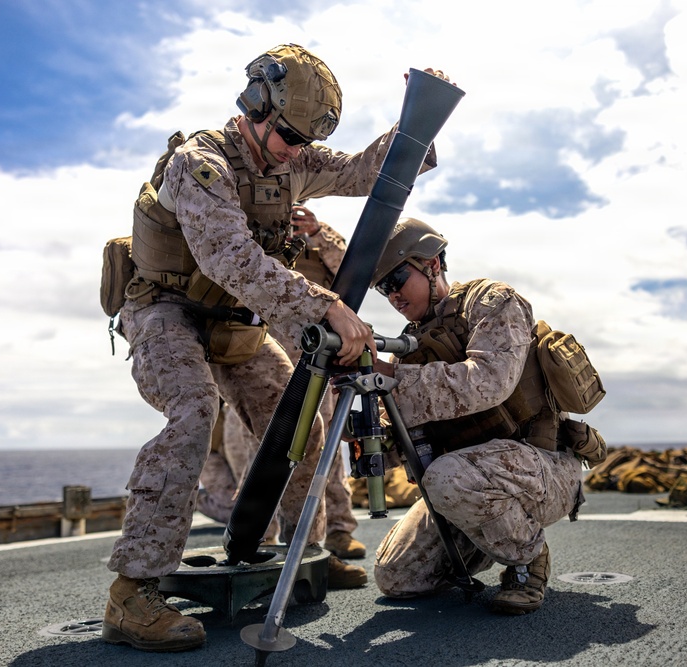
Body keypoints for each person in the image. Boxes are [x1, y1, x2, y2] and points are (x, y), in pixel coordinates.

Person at [103, 44, 442, 652]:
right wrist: (326, 303)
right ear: (254, 104)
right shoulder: (199, 163)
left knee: (299, 425)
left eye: (304, 139)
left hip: (235, 322)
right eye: (287, 134)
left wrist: (417, 122)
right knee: (191, 413)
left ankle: (301, 553)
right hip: (166, 310)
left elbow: (367, 170)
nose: (295, 149)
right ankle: (132, 593)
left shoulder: (294, 161)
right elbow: (229, 258)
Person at [365, 218, 600, 615]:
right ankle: (488, 536)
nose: (393, 297)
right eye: (382, 289)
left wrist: (391, 377)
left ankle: (528, 558)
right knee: (398, 578)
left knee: (446, 477)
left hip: (539, 467)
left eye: (397, 280)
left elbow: (489, 383)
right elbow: (395, 440)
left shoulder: (491, 301)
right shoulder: (407, 348)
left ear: (432, 265)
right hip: (467, 481)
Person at [196, 204, 368, 588]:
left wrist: (317, 233)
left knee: (320, 449)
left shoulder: (318, 237)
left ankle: (332, 534)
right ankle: (261, 541)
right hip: (263, 346)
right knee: (256, 450)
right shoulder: (245, 231)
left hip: (316, 350)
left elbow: (353, 273)